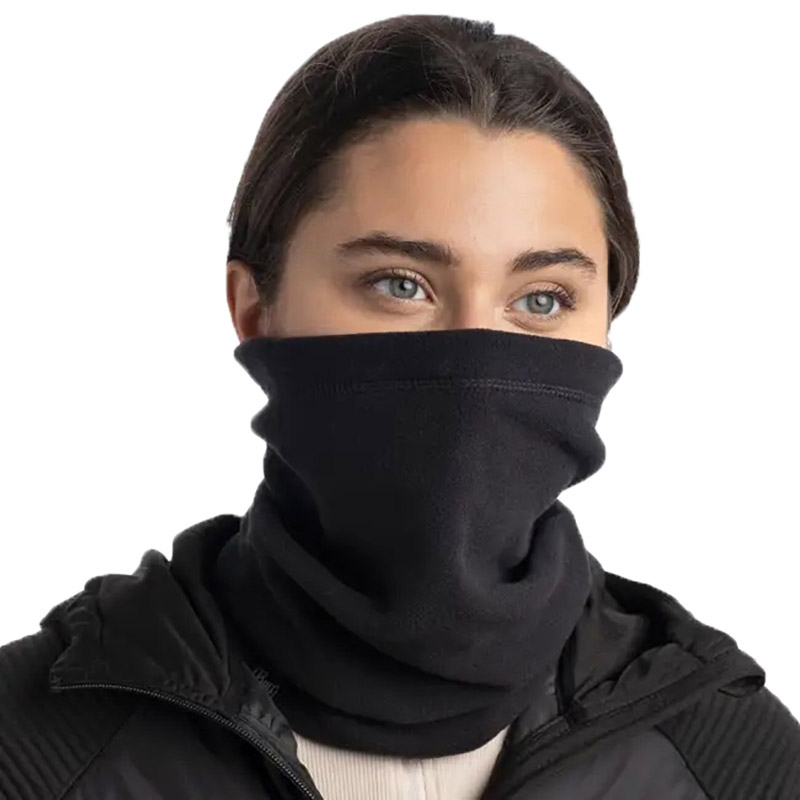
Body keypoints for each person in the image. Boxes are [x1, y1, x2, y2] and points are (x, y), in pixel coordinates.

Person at [1, 12, 797, 800]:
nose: (474, 357)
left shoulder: (737, 764)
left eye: (543, 299)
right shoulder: (30, 751)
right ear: (255, 309)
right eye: (399, 284)